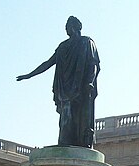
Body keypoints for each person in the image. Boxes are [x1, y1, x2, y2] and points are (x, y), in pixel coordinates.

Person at [16, 16, 100, 148]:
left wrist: (90, 81)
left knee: (82, 118)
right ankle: (65, 144)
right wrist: (29, 75)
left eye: (67, 26)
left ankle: (83, 143)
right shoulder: (63, 47)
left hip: (82, 88)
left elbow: (93, 64)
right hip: (66, 89)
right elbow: (48, 63)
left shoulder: (86, 42)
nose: (66, 29)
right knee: (66, 118)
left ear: (75, 27)